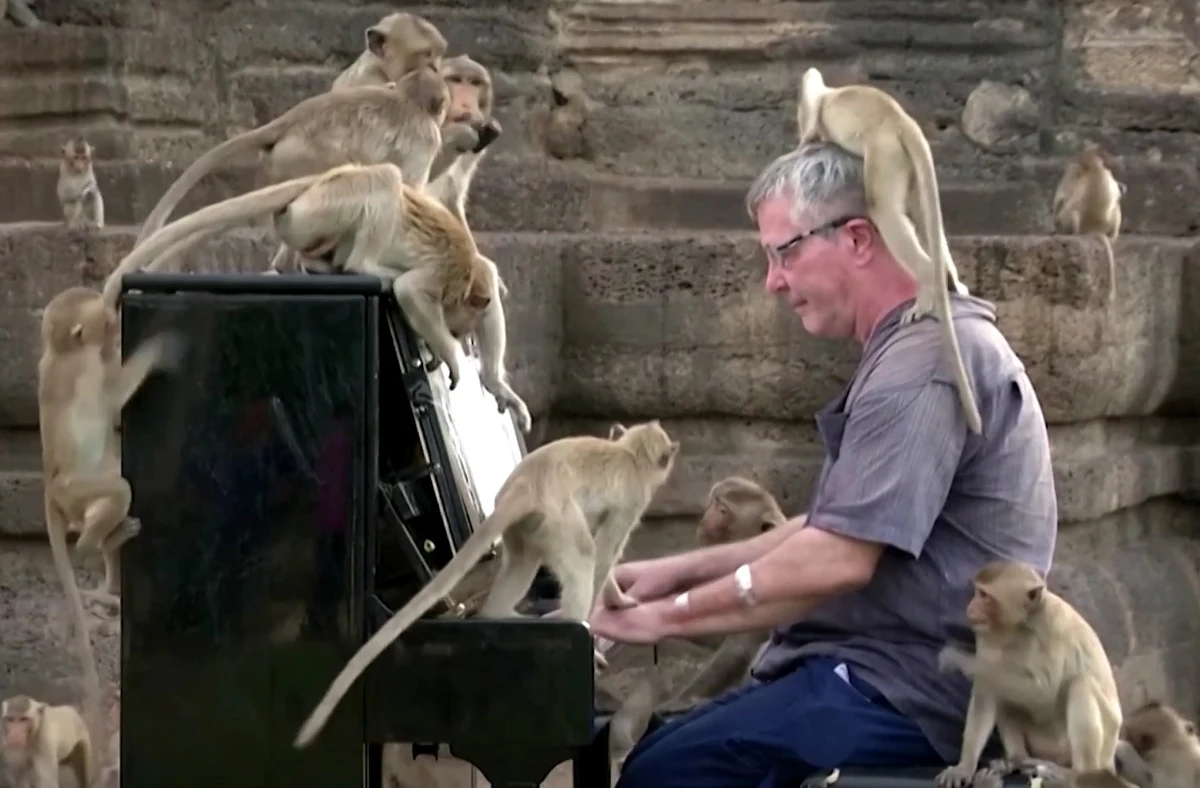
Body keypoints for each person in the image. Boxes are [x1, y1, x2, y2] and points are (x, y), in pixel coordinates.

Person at [588, 142, 1059, 788]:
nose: (772, 281)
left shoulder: (921, 366)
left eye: (786, 252)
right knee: (666, 747)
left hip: (915, 689)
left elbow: (837, 559)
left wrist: (651, 620)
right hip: (877, 669)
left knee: (665, 772)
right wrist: (659, 578)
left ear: (859, 239)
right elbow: (835, 526)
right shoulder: (914, 345)